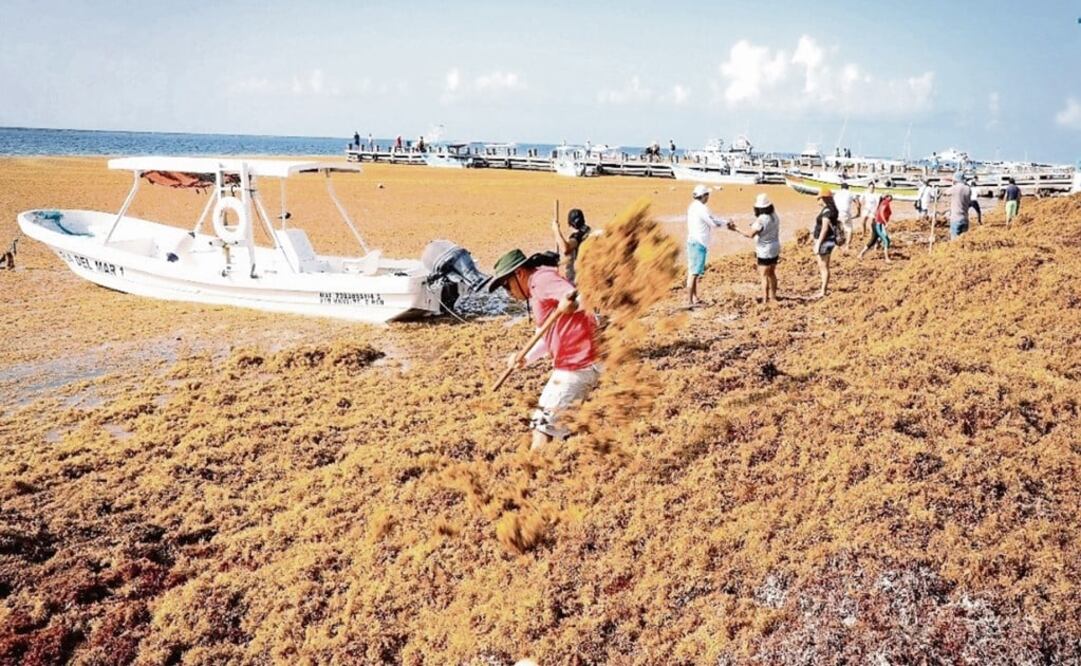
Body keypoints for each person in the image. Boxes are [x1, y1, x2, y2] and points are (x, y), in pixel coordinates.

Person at [487, 249, 599, 450]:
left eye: (506, 285)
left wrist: (571, 305)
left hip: (578, 364)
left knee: (542, 428)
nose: (509, 293)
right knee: (557, 425)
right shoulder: (537, 287)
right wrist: (525, 358)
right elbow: (546, 338)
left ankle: (534, 473)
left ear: (519, 273)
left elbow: (579, 297)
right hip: (573, 364)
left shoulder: (542, 280)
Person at [727, 193, 780, 304]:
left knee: (763, 276)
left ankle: (765, 300)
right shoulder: (774, 216)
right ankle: (773, 297)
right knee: (772, 273)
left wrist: (736, 228)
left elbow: (750, 234)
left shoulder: (761, 220)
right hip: (775, 247)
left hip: (764, 250)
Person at [685, 183, 732, 308]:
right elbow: (713, 222)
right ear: (704, 196)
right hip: (698, 242)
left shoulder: (693, 206)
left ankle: (694, 298)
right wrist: (727, 223)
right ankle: (689, 301)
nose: (708, 197)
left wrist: (725, 222)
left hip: (693, 241)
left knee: (694, 271)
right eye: (707, 195)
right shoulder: (702, 208)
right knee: (693, 273)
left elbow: (712, 219)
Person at [811, 189, 840, 299]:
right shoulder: (833, 210)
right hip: (830, 240)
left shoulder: (827, 211)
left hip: (825, 241)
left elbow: (824, 228)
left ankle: (823, 291)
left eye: (818, 198)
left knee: (823, 267)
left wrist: (818, 244)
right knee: (825, 266)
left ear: (824, 198)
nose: (817, 200)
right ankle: (823, 288)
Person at [552, 208, 591, 284]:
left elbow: (565, 249)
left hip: (581, 279)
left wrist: (556, 230)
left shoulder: (578, 236)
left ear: (570, 224)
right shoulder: (588, 230)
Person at [858, 194, 893, 262]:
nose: (890, 198)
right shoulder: (885, 202)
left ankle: (860, 254)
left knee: (873, 240)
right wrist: (885, 222)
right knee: (886, 241)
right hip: (878, 224)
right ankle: (886, 258)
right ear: (886, 198)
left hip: (875, 223)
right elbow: (882, 213)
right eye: (889, 197)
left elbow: (879, 213)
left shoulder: (882, 203)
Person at [949, 173, 974, 239]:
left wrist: (952, 184)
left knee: (954, 241)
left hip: (955, 218)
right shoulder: (968, 189)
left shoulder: (954, 188)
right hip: (965, 218)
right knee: (963, 240)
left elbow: (944, 193)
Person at [834, 182, 855, 251]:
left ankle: (838, 246)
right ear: (848, 188)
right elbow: (857, 203)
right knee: (849, 229)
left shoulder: (836, 193)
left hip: (836, 213)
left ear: (841, 188)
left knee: (839, 229)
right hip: (845, 212)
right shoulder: (850, 193)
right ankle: (847, 246)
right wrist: (859, 212)